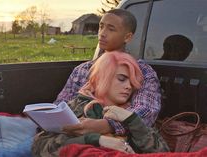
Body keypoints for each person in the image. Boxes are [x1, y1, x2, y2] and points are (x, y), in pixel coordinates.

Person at [32, 51, 169, 156]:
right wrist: (97, 140)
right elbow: (41, 147)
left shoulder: (130, 112)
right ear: (102, 78)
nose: (128, 86)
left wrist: (132, 121)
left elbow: (164, 152)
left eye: (132, 82)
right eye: (121, 79)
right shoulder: (78, 107)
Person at [54, 9, 161, 136]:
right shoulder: (82, 70)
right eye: (101, 27)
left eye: (111, 29)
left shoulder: (143, 72)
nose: (102, 33)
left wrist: (107, 126)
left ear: (127, 37)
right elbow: (61, 105)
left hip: (118, 143)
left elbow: (146, 112)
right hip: (70, 136)